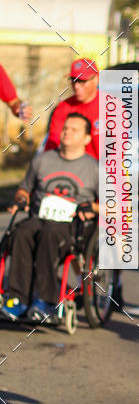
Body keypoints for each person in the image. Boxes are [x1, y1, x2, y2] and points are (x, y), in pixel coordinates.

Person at [0, 113, 98, 322]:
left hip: (72, 224)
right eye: (65, 128)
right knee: (20, 232)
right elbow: (24, 190)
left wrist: (94, 207)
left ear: (87, 138)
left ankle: (45, 300)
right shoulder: (42, 160)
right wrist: (21, 199)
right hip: (39, 217)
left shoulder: (95, 168)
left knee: (49, 234)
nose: (67, 132)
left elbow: (114, 205)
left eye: (74, 130)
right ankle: (18, 299)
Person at [45, 59, 100, 159]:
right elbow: (53, 144)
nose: (76, 86)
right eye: (74, 80)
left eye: (82, 81)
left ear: (96, 79)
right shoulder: (62, 108)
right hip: (71, 171)